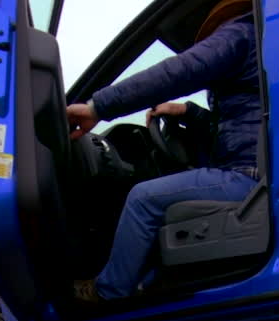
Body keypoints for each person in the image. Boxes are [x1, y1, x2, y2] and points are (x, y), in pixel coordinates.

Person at [67, 0, 260, 302]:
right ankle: (151, 287)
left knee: (143, 198)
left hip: (245, 175)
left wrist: (98, 107)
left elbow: (179, 72)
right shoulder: (262, 49)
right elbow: (233, 125)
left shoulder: (240, 31)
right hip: (255, 170)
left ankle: (107, 292)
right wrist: (186, 111)